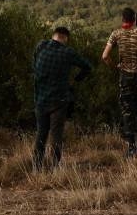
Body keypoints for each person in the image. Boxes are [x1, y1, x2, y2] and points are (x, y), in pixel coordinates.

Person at [32, 26, 92, 171]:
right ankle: (54, 168)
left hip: (40, 99)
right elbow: (87, 67)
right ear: (65, 38)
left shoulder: (41, 46)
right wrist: (76, 80)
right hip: (59, 100)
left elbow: (34, 64)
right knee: (56, 135)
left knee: (41, 134)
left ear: (54, 35)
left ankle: (36, 168)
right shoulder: (67, 52)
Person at [102, 7, 137, 156]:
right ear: (134, 19)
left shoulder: (116, 34)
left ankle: (131, 147)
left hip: (125, 76)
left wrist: (117, 67)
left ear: (122, 19)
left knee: (127, 112)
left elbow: (105, 56)